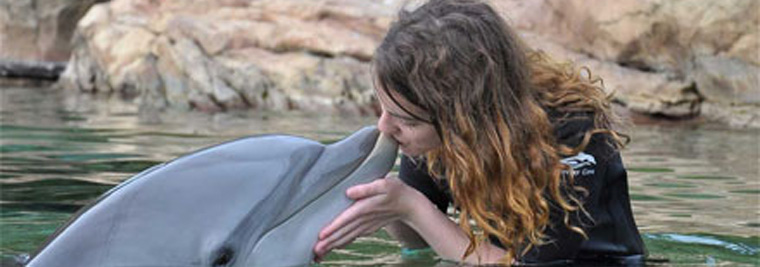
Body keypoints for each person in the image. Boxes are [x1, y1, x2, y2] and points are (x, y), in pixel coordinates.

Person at [313, 0, 645, 265]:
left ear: (465, 119)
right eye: (383, 109)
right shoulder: (437, 138)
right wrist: (386, 203)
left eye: (408, 120)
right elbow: (419, 245)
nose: (384, 127)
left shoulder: (569, 132)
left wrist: (411, 207)